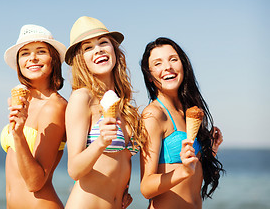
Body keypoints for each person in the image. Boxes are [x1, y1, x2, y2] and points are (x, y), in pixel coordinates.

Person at [64, 16, 147, 209]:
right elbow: (74, 170)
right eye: (88, 47)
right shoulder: (82, 98)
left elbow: (122, 160)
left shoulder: (124, 104)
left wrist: (124, 190)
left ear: (114, 50)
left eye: (103, 43)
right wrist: (101, 142)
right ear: (81, 59)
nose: (98, 49)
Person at [139, 37, 224, 209]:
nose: (167, 67)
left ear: (183, 65)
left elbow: (192, 175)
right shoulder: (153, 115)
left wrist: (210, 151)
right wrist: (183, 171)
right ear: (149, 76)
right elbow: (146, 187)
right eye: (158, 63)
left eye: (173, 59)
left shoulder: (189, 112)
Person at [0, 24, 67, 209]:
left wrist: (19, 133)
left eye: (41, 51)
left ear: (53, 59)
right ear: (19, 63)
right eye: (25, 53)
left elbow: (35, 183)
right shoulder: (21, 101)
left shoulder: (54, 107)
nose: (33, 58)